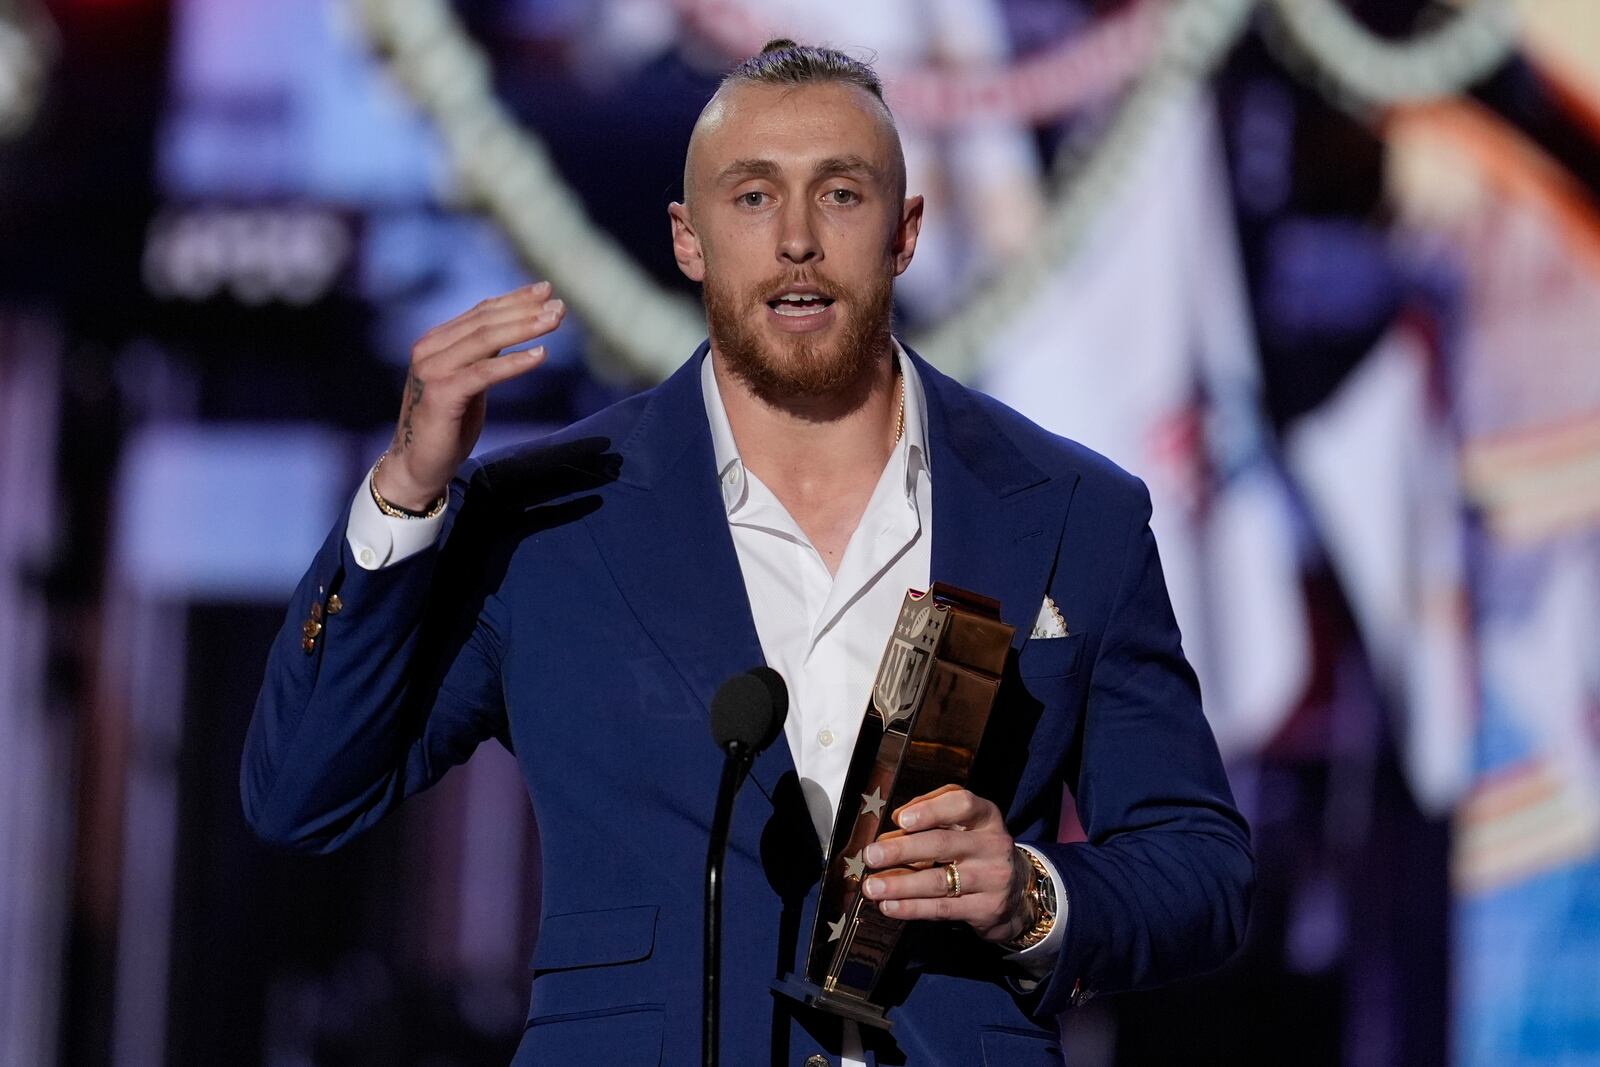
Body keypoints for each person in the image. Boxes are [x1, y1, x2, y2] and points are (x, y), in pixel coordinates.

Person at [243, 40, 1253, 1067]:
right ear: (689, 239)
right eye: (754, 197)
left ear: (905, 232)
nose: (799, 241)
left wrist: (1031, 892)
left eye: (843, 195)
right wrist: (405, 496)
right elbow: (303, 793)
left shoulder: (1075, 511)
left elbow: (1203, 870)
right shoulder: (547, 519)